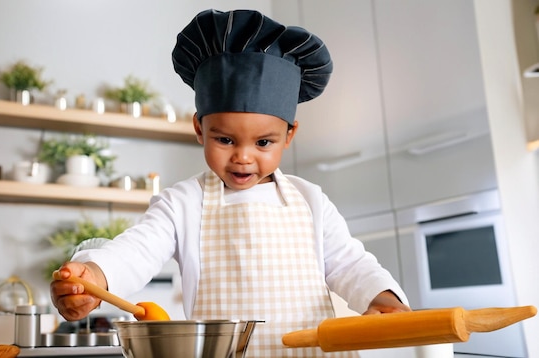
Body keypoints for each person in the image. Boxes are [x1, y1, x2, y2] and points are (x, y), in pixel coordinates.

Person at [51, 8, 411, 357]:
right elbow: (136, 252)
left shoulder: (309, 199)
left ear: (289, 135)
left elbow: (350, 264)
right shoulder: (183, 203)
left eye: (263, 143)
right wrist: (94, 275)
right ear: (199, 129)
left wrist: (384, 299)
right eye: (225, 140)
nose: (243, 157)